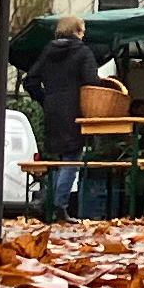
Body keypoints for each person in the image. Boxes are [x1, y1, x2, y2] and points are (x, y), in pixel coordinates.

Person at [24, 15, 98, 220]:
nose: (84, 35)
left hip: (53, 110)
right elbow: (92, 81)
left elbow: (30, 81)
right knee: (73, 157)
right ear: (75, 31)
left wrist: (45, 99)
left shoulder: (48, 51)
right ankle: (59, 206)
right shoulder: (83, 52)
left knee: (58, 158)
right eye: (82, 31)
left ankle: (45, 201)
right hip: (74, 110)